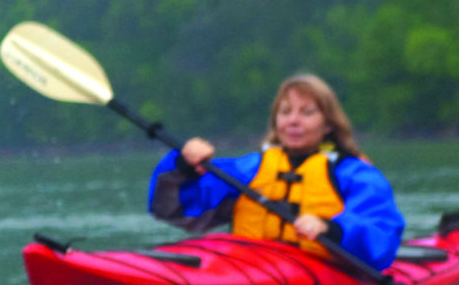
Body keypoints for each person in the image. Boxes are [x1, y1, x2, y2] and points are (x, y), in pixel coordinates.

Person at [149, 73, 404, 269]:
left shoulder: (354, 175)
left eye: (307, 113)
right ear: (276, 121)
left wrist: (330, 228)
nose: (293, 120)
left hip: (324, 274)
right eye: (285, 112)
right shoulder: (249, 170)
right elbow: (171, 209)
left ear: (327, 125)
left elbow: (381, 232)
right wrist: (184, 166)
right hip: (248, 268)